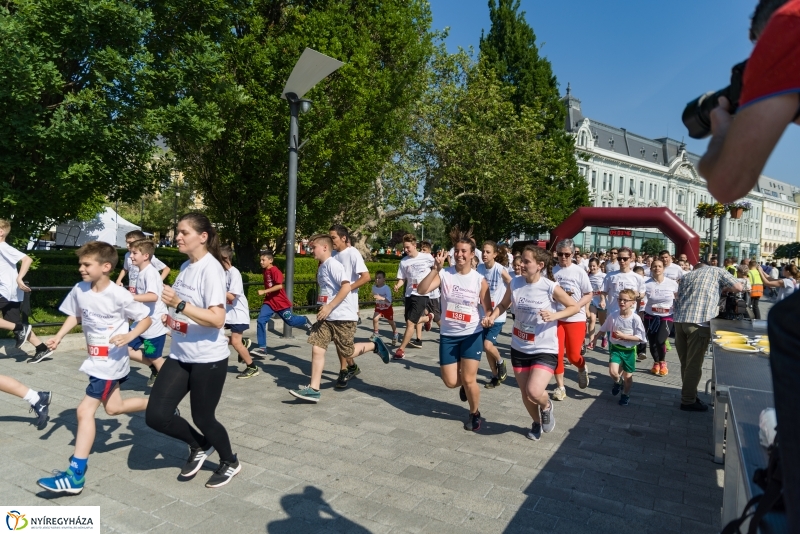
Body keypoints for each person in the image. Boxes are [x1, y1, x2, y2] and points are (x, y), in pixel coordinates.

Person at [37, 241, 153, 494]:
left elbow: (146, 318)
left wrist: (130, 336)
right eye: (80, 263)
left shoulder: (119, 294)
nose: (81, 268)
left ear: (106, 267)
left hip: (110, 362)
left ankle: (75, 474)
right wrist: (59, 336)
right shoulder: (80, 289)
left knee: (84, 411)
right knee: (114, 408)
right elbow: (75, 315)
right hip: (94, 359)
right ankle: (158, 403)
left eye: (87, 264)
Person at [146, 213, 241, 489]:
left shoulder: (211, 270)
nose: (178, 236)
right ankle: (199, 446)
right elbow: (185, 310)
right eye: (178, 232)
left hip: (207, 359)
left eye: (183, 232)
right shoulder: (188, 265)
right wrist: (172, 318)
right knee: (156, 415)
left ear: (203, 237)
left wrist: (179, 305)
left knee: (203, 417)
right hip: (180, 355)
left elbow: (217, 319)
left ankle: (230, 461)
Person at [483, 245, 579, 440]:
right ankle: (536, 422)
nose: (521, 265)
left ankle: (546, 406)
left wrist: (554, 315)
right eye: (520, 261)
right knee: (525, 394)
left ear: (540, 265)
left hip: (544, 347)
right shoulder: (515, 283)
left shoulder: (549, 286)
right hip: (519, 345)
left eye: (526, 262)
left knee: (534, 391)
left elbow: (574, 306)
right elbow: (503, 304)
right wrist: (492, 316)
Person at [290, 235, 389, 400]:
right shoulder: (322, 267)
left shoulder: (334, 265)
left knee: (347, 351)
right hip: (327, 317)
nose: (310, 250)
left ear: (324, 248)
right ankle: (314, 389)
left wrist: (329, 306)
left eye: (313, 247)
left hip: (343, 316)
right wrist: (324, 307)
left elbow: (345, 287)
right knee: (317, 347)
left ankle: (375, 345)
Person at [418, 237, 490, 432]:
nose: (459, 254)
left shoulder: (479, 280)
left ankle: (474, 413)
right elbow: (422, 289)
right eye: (457, 251)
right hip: (448, 334)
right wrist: (435, 268)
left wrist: (488, 318)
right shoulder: (445, 274)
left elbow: (488, 308)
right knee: (450, 381)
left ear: (472, 255)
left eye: (464, 251)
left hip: (471, 333)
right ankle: (465, 387)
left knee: (469, 379)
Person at [673, 263, 742, 412]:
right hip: (699, 323)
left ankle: (690, 394)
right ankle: (688, 400)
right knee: (694, 365)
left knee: (685, 363)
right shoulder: (716, 271)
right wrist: (724, 289)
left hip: (679, 322)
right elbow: (738, 287)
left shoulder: (687, 275)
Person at [0, 218, 52, 363]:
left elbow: (27, 259)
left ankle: (18, 327)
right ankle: (42, 348)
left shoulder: (3, 247)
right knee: (17, 326)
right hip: (10, 292)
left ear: (1, 232)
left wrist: (19, 278)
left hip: (6, 292)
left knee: (17, 326)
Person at [587, 288, 646, 406]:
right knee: (613, 372)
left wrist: (624, 336)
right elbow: (603, 328)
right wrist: (594, 339)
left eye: (625, 300)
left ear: (633, 303)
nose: (622, 302)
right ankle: (618, 382)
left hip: (629, 350)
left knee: (628, 377)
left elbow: (641, 338)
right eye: (620, 299)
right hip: (616, 348)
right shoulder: (613, 315)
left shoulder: (635, 319)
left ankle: (625, 394)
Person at [330, 224, 373, 382]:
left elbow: (366, 277)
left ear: (343, 238)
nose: (331, 240)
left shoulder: (353, 253)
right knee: (337, 340)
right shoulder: (332, 255)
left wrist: (348, 288)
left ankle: (344, 370)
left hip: (348, 305)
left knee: (344, 342)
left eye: (333, 237)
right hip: (334, 305)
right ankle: (350, 367)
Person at [551, 240, 592, 400]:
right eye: (560, 254)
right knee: (557, 354)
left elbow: (589, 293)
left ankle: (581, 367)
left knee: (574, 356)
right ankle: (560, 387)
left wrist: (577, 305)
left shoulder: (579, 271)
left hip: (576, 318)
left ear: (573, 254)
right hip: (557, 318)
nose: (563, 257)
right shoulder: (552, 271)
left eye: (567, 254)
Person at [126, 239, 168, 387]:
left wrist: (130, 297)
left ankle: (169, 384)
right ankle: (153, 368)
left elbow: (153, 296)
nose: (131, 256)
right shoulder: (141, 271)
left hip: (153, 326)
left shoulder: (150, 273)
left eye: (134, 253)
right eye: (131, 253)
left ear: (145, 256)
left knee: (155, 357)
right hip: (141, 321)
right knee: (125, 348)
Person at [253, 249, 311, 356]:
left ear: (271, 260)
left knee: (291, 322)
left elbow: (279, 285)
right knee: (261, 321)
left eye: (263, 260)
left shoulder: (275, 271)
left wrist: (264, 291)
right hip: (269, 302)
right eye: (260, 260)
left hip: (281, 303)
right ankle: (262, 348)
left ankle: (304, 320)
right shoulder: (265, 271)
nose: (261, 262)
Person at [219, 246, 258, 379]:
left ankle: (252, 367)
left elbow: (231, 297)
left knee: (236, 343)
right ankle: (244, 343)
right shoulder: (221, 273)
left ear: (225, 259)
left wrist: (213, 291)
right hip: (228, 314)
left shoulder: (234, 273)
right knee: (214, 334)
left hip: (238, 314)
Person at [393, 234, 434, 358]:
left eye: (407, 247)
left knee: (410, 323)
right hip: (409, 294)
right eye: (404, 248)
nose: (405, 250)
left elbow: (437, 269)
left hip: (422, 294)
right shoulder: (404, 261)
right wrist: (398, 285)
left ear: (414, 245)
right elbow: (402, 278)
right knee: (408, 321)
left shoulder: (427, 257)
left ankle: (401, 350)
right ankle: (428, 318)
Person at [477, 241, 511, 389]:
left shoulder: (499, 269)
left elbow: (512, 283)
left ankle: (500, 362)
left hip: (497, 316)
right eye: (483, 251)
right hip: (483, 314)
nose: (484, 254)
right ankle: (495, 376)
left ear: (495, 254)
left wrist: (508, 300)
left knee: (487, 344)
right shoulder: (479, 268)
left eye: (488, 252)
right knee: (486, 348)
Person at [601, 247, 645, 346]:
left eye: (625, 259)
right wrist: (603, 300)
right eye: (619, 258)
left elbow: (642, 294)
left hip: (630, 315)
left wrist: (637, 294)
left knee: (628, 345)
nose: (622, 261)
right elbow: (603, 291)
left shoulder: (637, 277)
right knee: (614, 344)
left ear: (631, 259)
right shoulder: (610, 275)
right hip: (613, 314)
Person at [642, 260, 679, 376]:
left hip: (666, 316)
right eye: (654, 266)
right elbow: (640, 297)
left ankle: (663, 362)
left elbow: (678, 298)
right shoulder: (645, 283)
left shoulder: (672, 283)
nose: (657, 268)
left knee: (660, 340)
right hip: (650, 315)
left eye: (659, 266)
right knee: (652, 341)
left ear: (663, 269)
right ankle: (656, 363)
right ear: (651, 268)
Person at [371, 270, 398, 345]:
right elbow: (374, 295)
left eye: (379, 278)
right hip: (379, 307)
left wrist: (381, 298)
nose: (377, 279)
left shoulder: (386, 288)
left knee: (390, 322)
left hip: (387, 308)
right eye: (376, 278)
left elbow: (389, 300)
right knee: (375, 319)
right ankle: (376, 334)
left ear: (384, 279)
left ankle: (395, 333)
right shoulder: (373, 287)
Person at [419, 241, 440, 331]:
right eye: (421, 250)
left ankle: (444, 331)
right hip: (424, 293)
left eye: (424, 250)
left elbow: (438, 272)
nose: (422, 252)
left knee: (437, 317)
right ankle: (429, 317)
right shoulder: (420, 261)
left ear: (429, 251)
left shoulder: (432, 260)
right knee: (422, 310)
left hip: (433, 294)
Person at [587, 258, 607, 348]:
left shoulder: (604, 276)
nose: (592, 267)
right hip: (592, 300)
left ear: (598, 266)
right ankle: (591, 342)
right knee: (592, 319)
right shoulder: (587, 276)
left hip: (601, 301)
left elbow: (606, 288)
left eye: (594, 266)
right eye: (590, 266)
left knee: (602, 323)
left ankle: (604, 336)